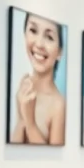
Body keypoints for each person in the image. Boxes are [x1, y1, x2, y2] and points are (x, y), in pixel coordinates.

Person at [10, 12, 66, 145]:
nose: (39, 44)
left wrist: (30, 122)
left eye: (49, 37)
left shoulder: (58, 104)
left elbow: (54, 160)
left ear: (59, 52)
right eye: (33, 31)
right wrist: (22, 119)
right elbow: (15, 146)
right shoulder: (24, 88)